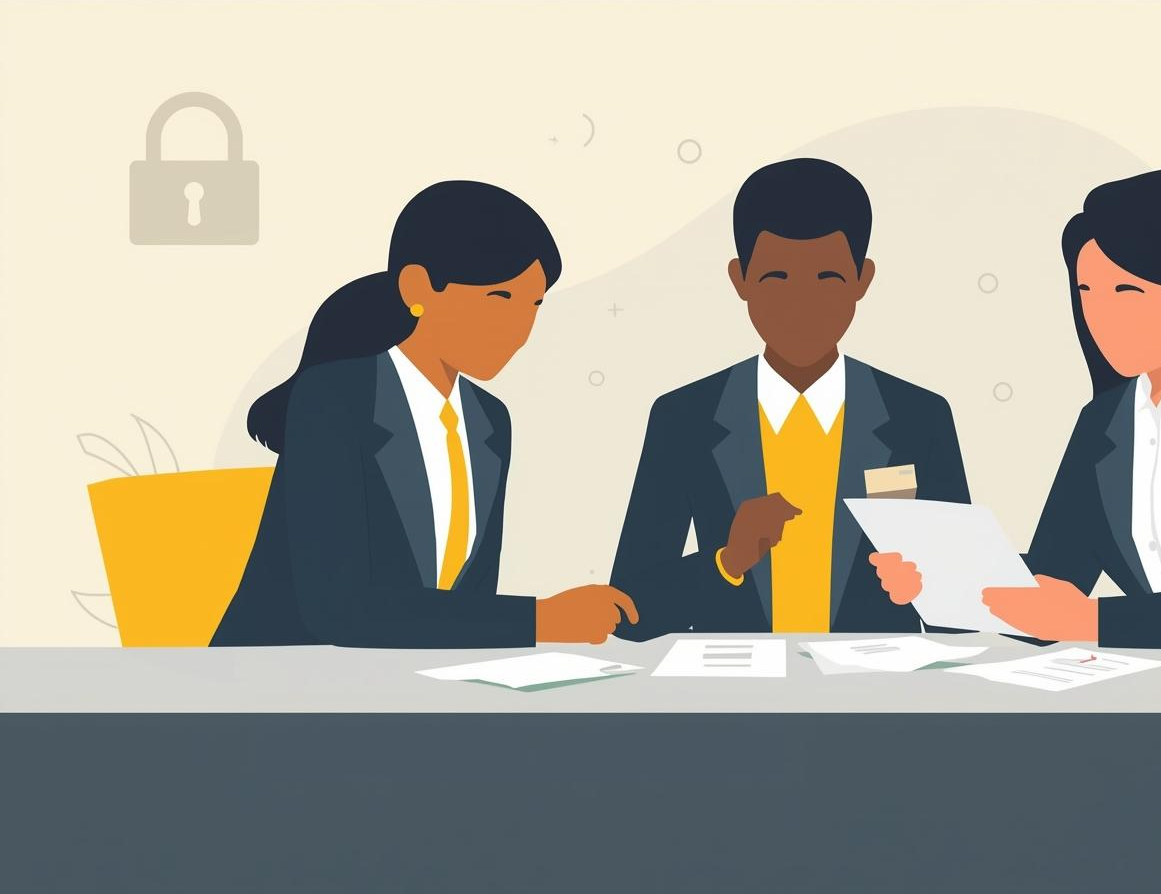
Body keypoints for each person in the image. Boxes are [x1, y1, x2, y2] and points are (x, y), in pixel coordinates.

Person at [871, 168, 1161, 648]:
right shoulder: (1105, 421)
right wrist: (940, 585)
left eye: (1128, 291)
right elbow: (1055, 579)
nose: (1100, 316)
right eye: (1086, 293)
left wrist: (1095, 623)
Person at [212, 181, 637, 647]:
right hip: (283, 686)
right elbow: (340, 609)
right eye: (500, 299)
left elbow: (468, 598)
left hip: (409, 684)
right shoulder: (334, 399)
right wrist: (539, 621)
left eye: (534, 305)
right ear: (418, 287)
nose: (521, 329)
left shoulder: (489, 421)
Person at [611, 158, 970, 639]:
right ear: (740, 280)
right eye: (777, 280)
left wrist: (930, 589)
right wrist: (727, 562)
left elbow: (963, 612)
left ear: (863, 280)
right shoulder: (684, 418)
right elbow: (632, 612)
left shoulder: (918, 418)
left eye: (828, 280)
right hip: (734, 697)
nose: (802, 306)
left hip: (877, 695)